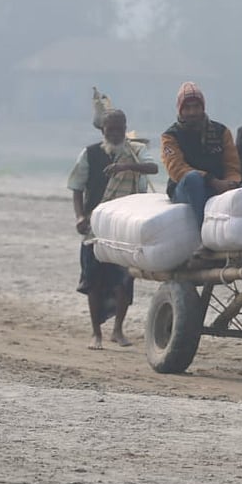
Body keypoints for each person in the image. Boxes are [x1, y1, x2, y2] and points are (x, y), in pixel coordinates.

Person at [67, 108, 158, 350]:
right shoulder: (90, 154)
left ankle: (118, 330)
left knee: (123, 282)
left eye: (120, 129)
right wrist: (79, 217)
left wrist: (125, 167)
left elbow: (153, 168)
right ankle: (96, 333)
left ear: (125, 128)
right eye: (111, 129)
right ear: (103, 130)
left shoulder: (136, 151)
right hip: (95, 225)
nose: (116, 133)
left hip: (124, 226)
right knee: (94, 281)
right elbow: (76, 187)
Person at [162, 81, 242, 225]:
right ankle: (204, 232)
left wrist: (231, 183)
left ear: (203, 108)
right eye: (187, 108)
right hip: (186, 188)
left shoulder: (221, 131)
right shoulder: (170, 136)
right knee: (193, 178)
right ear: (180, 110)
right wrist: (211, 180)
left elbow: (232, 165)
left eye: (196, 107)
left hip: (218, 187)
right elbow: (177, 170)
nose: (192, 112)